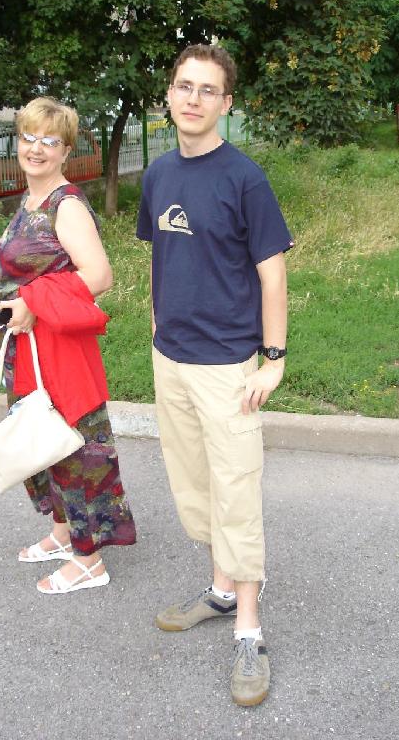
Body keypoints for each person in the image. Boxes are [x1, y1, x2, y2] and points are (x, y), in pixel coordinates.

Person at [137, 45, 292, 706]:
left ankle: (249, 632)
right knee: (196, 485)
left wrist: (273, 358)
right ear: (169, 95)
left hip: (228, 365)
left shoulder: (244, 178)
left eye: (207, 90)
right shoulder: (158, 173)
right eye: (184, 86)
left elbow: (272, 274)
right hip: (171, 358)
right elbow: (159, 256)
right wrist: (155, 324)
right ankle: (222, 592)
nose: (193, 98)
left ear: (227, 103)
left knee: (235, 492)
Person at [0, 96, 136, 595]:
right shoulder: (30, 200)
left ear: (66, 151)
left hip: (59, 350)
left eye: (49, 141)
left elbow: (99, 276)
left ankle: (89, 559)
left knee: (75, 447)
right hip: (28, 349)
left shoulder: (65, 204)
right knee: (42, 440)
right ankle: (62, 533)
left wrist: (33, 301)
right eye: (29, 137)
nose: (36, 148)